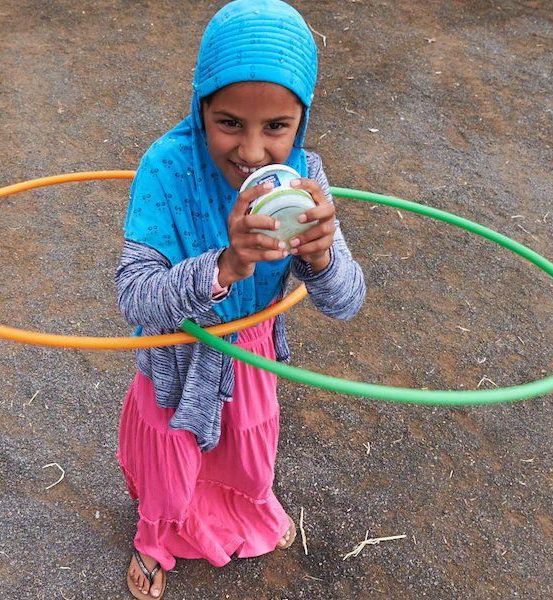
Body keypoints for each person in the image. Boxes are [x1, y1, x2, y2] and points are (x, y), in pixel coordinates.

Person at [114, 1, 365, 596]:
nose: (252, 151)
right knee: (171, 464)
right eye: (229, 122)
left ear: (301, 120)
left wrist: (321, 257)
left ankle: (248, 513)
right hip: (179, 355)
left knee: (248, 455)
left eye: (276, 127)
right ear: (199, 106)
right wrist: (225, 265)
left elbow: (345, 303)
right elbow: (136, 300)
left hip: (252, 350)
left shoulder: (305, 179)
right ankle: (156, 541)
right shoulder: (166, 169)